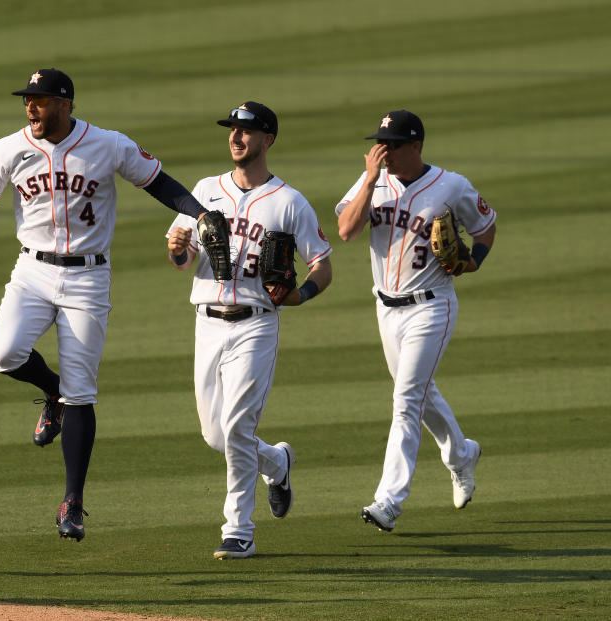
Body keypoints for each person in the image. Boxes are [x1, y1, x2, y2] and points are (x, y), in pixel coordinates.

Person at [0, 68, 214, 541]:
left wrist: (199, 213)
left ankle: (72, 502)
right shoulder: (8, 149)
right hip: (31, 271)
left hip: (89, 278)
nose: (31, 106)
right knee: (3, 353)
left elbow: (158, 182)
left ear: (65, 103)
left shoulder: (108, 144)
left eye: (41, 99)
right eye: (27, 99)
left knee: (83, 392)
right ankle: (50, 391)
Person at [166, 102, 333, 559]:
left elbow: (322, 264)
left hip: (256, 326)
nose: (236, 137)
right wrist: (180, 248)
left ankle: (238, 530)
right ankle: (277, 462)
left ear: (268, 139)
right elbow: (183, 261)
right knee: (216, 436)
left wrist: (300, 297)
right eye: (233, 130)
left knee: (238, 426)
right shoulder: (204, 190)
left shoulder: (288, 201)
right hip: (207, 321)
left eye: (247, 130)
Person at [335, 110, 496, 532]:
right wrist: (369, 181)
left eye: (393, 145)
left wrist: (473, 263)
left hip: (432, 305)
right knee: (421, 394)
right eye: (380, 143)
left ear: (416, 146)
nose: (383, 152)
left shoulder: (451, 185)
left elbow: (486, 226)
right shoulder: (372, 180)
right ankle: (461, 454)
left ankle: (388, 501)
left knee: (406, 399)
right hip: (385, 309)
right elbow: (347, 231)